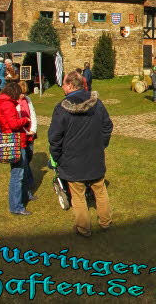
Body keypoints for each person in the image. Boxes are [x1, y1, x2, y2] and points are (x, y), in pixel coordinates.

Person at [49, 72, 113, 236]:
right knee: (99, 191)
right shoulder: (96, 104)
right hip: (90, 156)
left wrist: (56, 157)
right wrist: (100, 145)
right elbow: (107, 126)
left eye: (63, 84)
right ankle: (104, 222)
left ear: (70, 85)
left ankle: (84, 228)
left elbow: (54, 137)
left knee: (78, 195)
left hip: (74, 159)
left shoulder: (63, 107)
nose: (62, 87)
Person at [0, 82, 33, 215]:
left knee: (20, 172)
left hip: (13, 140)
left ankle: (23, 197)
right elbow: (13, 124)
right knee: (17, 175)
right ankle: (16, 206)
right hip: (15, 141)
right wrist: (25, 120)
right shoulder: (7, 104)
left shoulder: (3, 103)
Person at [18, 81, 38, 196]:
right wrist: (25, 131)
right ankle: (29, 185)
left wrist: (33, 130)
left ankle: (29, 181)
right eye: (21, 93)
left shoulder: (28, 100)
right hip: (22, 134)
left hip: (30, 134)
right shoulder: (15, 102)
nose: (23, 95)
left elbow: (33, 115)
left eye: (25, 93)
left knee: (29, 156)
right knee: (24, 161)